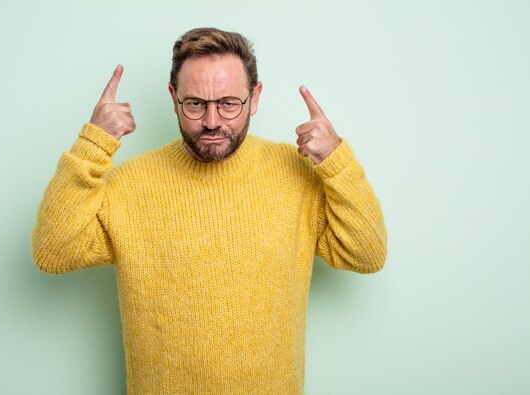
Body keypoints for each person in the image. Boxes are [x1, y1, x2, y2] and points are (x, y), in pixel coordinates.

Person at [32, 27, 387, 394]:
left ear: (256, 97)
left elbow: (366, 254)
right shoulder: (132, 184)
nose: (213, 121)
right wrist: (94, 141)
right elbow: (54, 252)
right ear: (173, 98)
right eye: (196, 104)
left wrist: (335, 159)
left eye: (229, 103)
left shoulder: (297, 174)